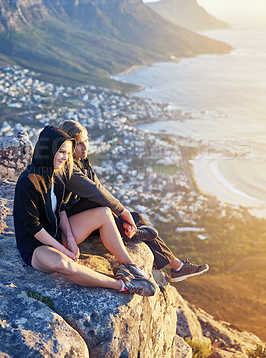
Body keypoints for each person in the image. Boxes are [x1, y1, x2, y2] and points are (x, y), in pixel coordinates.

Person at [58, 120, 209, 282]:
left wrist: (124, 216)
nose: (85, 147)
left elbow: (99, 187)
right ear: (69, 145)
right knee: (104, 204)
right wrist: (122, 212)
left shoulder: (82, 162)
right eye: (80, 144)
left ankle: (175, 265)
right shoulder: (67, 168)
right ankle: (134, 235)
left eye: (86, 141)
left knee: (134, 217)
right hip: (70, 222)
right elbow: (95, 192)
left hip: (84, 216)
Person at [13, 125, 155, 297]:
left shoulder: (56, 176)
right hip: (37, 246)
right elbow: (33, 227)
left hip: (57, 233)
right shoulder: (28, 181)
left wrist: (71, 240)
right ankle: (122, 285)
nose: (65, 158)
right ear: (47, 150)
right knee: (63, 264)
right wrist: (64, 250)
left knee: (103, 213)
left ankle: (128, 264)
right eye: (61, 152)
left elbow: (61, 211)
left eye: (67, 153)